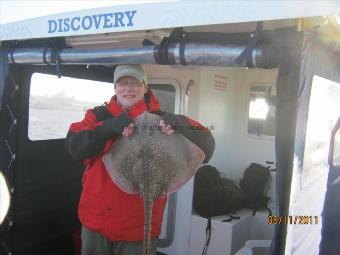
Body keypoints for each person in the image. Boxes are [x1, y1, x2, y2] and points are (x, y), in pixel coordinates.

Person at [65, 64, 215, 255]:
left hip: (137, 228)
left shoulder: (162, 119)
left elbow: (208, 145)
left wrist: (181, 125)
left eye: (135, 83)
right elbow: (74, 147)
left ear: (145, 87)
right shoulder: (97, 116)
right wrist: (107, 128)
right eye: (123, 83)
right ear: (115, 88)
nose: (128, 88)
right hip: (96, 224)